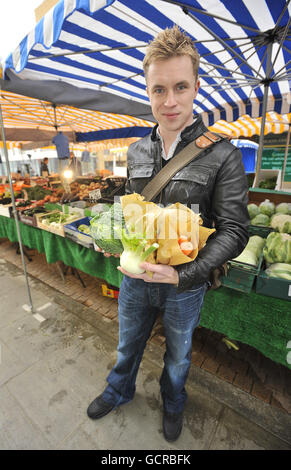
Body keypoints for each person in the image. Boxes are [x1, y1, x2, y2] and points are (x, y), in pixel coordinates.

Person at [87, 26, 250, 442]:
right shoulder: (137, 151)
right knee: (127, 343)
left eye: (180, 86)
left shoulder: (224, 154)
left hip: (185, 284)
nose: (170, 101)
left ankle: (173, 401)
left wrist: (185, 275)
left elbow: (234, 230)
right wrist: (115, 240)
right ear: (148, 90)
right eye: (159, 90)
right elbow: (130, 206)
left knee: (178, 356)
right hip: (136, 277)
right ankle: (118, 388)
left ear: (197, 86)